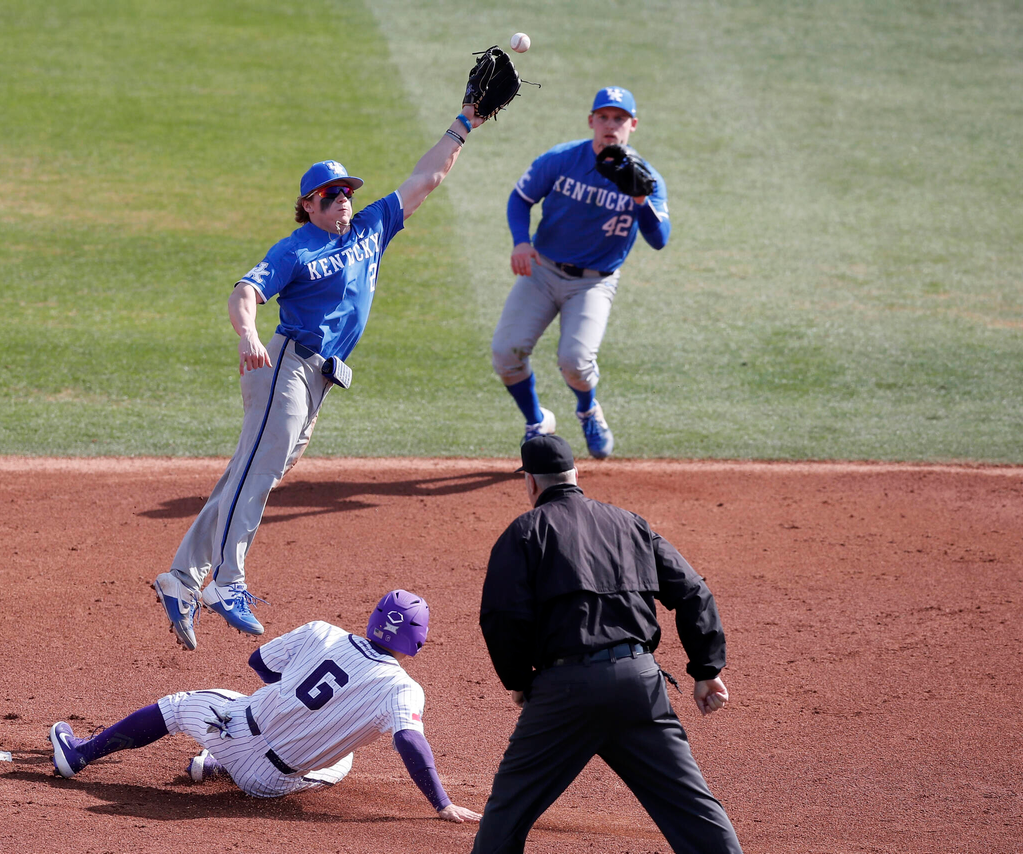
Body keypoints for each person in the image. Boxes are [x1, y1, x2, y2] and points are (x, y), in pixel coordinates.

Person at [156, 103, 494, 650]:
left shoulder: (371, 227)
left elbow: (426, 178)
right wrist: (247, 334)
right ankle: (227, 581)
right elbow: (245, 292)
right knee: (257, 473)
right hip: (285, 367)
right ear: (308, 205)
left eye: (347, 191)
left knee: (251, 472)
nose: (343, 199)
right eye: (330, 194)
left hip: (319, 381)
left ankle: (181, 578)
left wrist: (464, 124)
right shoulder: (295, 249)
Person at [472, 435, 742, 854]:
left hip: (564, 693)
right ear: (576, 474)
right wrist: (706, 670)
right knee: (694, 810)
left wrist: (519, 680)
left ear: (531, 482)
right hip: (639, 686)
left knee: (508, 812)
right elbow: (693, 593)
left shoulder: (525, 532)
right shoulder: (631, 524)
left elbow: (502, 617)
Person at [50, 590, 481, 824]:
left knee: (178, 707)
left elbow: (259, 662)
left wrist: (289, 697)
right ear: (418, 640)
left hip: (229, 728)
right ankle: (216, 768)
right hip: (268, 782)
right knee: (342, 759)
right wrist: (441, 803)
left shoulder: (322, 631)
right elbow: (409, 741)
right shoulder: (404, 690)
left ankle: (80, 754)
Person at [491, 86, 670, 458]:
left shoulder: (647, 178)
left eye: (619, 118)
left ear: (633, 125)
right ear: (591, 121)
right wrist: (521, 242)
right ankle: (537, 420)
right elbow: (520, 199)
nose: (611, 125)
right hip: (542, 271)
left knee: (574, 363)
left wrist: (640, 200)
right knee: (506, 353)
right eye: (603, 117)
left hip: (594, 283)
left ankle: (588, 410)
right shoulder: (561, 159)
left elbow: (659, 239)